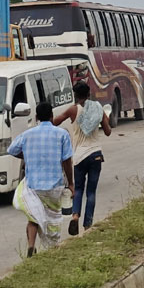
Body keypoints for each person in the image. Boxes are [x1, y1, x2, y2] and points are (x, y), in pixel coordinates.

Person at [9, 101, 75, 256]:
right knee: (52, 217)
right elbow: (67, 161)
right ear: (52, 116)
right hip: (54, 185)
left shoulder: (27, 134)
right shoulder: (61, 134)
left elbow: (12, 150)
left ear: (37, 117)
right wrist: (71, 183)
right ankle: (52, 248)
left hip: (33, 185)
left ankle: (31, 246)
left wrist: (26, 155)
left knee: (33, 216)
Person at [52, 82, 111, 235]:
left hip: (79, 156)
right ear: (89, 93)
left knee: (78, 189)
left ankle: (75, 215)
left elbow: (55, 122)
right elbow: (108, 131)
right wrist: (104, 118)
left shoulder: (73, 110)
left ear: (75, 95)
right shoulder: (98, 108)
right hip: (96, 154)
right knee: (91, 192)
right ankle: (88, 225)